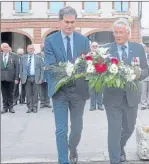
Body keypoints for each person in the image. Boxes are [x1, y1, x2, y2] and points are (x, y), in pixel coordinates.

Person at [44, 6, 90, 164]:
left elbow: (87, 64)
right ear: (59, 22)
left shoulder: (83, 40)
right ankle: (63, 160)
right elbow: (50, 66)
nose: (69, 25)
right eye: (66, 22)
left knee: (77, 129)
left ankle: (72, 147)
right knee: (61, 130)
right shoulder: (50, 40)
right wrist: (69, 70)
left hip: (79, 91)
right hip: (59, 91)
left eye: (72, 22)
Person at [103, 18, 149, 164]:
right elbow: (99, 72)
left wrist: (139, 74)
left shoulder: (138, 48)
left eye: (121, 32)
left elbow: (146, 69)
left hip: (132, 97)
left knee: (129, 128)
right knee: (114, 131)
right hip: (112, 98)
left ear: (128, 33)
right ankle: (115, 159)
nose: (118, 35)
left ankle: (120, 146)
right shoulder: (106, 50)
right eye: (115, 32)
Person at [20, 44, 44, 113]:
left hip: (36, 77)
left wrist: (41, 78)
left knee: (35, 93)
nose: (31, 50)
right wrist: (21, 77)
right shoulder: (23, 58)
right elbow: (21, 69)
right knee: (28, 93)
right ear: (27, 50)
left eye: (32, 48)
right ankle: (29, 107)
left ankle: (35, 107)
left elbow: (42, 69)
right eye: (29, 48)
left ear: (34, 50)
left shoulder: (38, 58)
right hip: (26, 78)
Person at [1, 43, 19, 114]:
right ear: (2, 48)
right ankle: (5, 107)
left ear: (9, 48)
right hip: (2, 78)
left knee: (11, 93)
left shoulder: (14, 55)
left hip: (11, 78)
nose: (6, 48)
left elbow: (17, 67)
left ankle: (11, 107)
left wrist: (17, 78)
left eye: (7, 47)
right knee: (4, 93)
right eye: (4, 47)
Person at [89, 42, 104, 111]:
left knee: (100, 91)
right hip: (91, 76)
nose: (94, 47)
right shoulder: (88, 55)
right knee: (92, 92)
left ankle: (100, 105)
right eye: (93, 46)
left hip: (99, 75)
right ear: (91, 47)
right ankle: (92, 106)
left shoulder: (101, 55)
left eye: (96, 46)